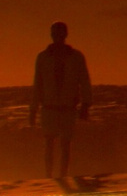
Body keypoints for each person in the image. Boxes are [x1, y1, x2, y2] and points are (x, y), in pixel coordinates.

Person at [31, 21, 92, 180]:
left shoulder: (76, 57)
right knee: (49, 143)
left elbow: (84, 80)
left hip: (67, 107)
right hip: (49, 107)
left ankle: (62, 176)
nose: (57, 36)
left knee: (65, 144)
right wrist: (33, 109)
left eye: (59, 33)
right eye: (54, 33)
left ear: (65, 35)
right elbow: (38, 83)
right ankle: (49, 176)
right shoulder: (43, 57)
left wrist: (86, 104)